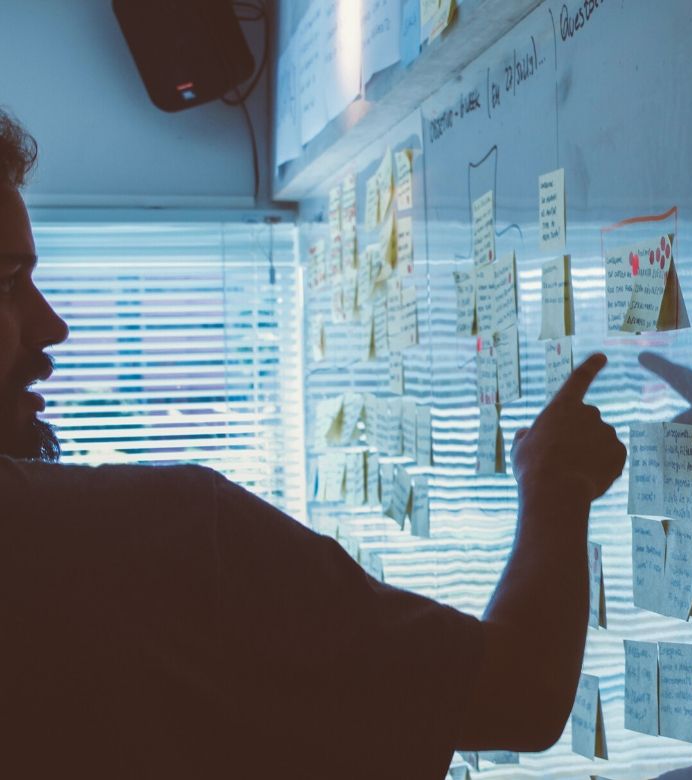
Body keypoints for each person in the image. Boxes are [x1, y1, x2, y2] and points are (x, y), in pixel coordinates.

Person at [0, 108, 626, 778]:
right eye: (6, 284)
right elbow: (518, 695)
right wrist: (556, 484)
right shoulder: (157, 538)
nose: (52, 324)